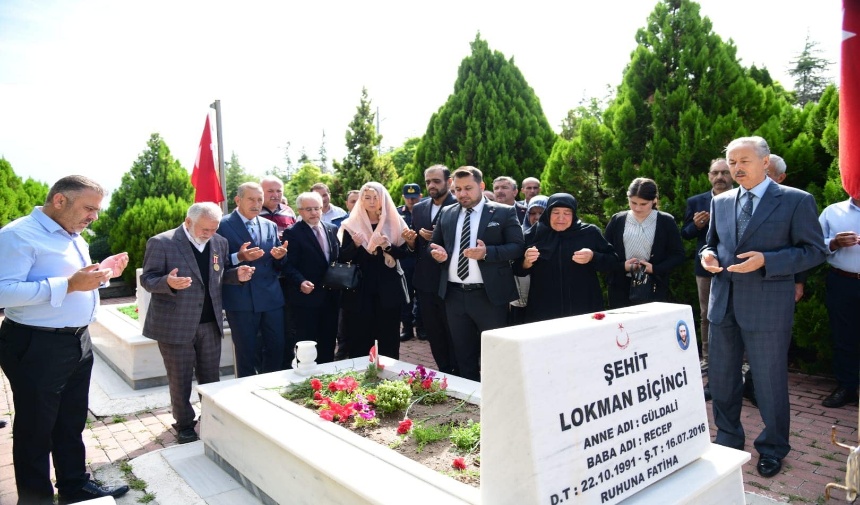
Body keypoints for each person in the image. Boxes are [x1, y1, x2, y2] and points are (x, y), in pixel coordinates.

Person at [0, 175, 130, 503]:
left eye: (97, 209)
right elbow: (3, 290)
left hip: (77, 342)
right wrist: (69, 285)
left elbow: (74, 279)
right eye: (89, 208)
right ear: (60, 201)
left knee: (70, 421)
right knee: (35, 430)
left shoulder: (74, 234)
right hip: (36, 345)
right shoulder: (17, 235)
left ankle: (74, 486)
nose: (94, 217)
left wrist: (102, 274)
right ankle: (35, 499)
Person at [701, 136, 826, 478]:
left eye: (744, 161)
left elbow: (814, 251)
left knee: (769, 383)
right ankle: (728, 439)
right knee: (723, 380)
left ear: (765, 161)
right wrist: (707, 256)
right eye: (732, 162)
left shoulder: (796, 201)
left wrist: (766, 260)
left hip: (768, 306)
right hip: (723, 303)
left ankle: (772, 447)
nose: (736, 168)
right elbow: (710, 242)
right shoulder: (721, 202)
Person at [140, 203, 253, 444]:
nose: (209, 233)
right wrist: (168, 283)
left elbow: (217, 276)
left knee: (211, 376)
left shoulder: (219, 243)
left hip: (209, 323)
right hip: (175, 325)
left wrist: (236, 276)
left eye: (214, 228)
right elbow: (147, 279)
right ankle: (184, 425)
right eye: (205, 229)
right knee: (180, 379)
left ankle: (211, 417)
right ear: (188, 222)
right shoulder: (162, 242)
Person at [429, 167, 525, 380]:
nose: (462, 194)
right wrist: (438, 254)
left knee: (496, 352)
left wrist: (487, 253)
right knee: (463, 354)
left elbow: (518, 247)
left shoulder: (502, 212)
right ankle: (471, 398)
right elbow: (434, 244)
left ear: (481, 186)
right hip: (454, 295)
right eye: (458, 189)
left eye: (468, 188)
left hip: (489, 296)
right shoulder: (447, 212)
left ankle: (498, 396)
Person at [340, 182, 417, 359]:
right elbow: (343, 257)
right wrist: (359, 246)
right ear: (361, 200)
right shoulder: (351, 225)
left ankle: (390, 379)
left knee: (389, 337)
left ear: (383, 199)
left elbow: (405, 254)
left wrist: (388, 247)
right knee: (360, 338)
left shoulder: (396, 223)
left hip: (388, 288)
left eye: (376, 197)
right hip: (360, 289)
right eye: (367, 198)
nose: (372, 202)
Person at [218, 182, 288, 377]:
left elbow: (277, 264)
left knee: (276, 347)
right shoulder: (222, 225)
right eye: (251, 199)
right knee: (246, 353)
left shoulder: (270, 225)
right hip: (241, 299)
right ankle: (246, 394)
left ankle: (272, 387)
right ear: (238, 200)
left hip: (271, 298)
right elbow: (214, 263)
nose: (256, 204)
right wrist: (239, 257)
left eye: (259, 199)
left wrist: (280, 256)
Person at [514, 193, 617, 323]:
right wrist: (526, 262)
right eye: (555, 212)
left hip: (583, 305)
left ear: (573, 214)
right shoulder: (534, 234)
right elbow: (517, 269)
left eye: (567, 213)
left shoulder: (589, 232)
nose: (561, 218)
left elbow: (613, 261)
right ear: (548, 213)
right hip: (544, 308)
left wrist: (593, 256)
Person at [681, 158, 733, 374]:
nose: (720, 177)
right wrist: (697, 224)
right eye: (715, 173)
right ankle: (707, 358)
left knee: (737, 312)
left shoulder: (741, 198)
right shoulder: (696, 201)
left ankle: (740, 360)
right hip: (705, 267)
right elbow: (685, 233)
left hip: (736, 265)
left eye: (724, 172)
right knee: (706, 313)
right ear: (709, 176)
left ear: (732, 175)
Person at [604, 178, 686, 308]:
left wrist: (654, 269)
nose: (637, 208)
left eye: (643, 204)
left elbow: (678, 255)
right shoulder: (617, 220)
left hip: (653, 287)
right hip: (620, 287)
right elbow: (605, 254)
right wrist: (622, 266)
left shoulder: (666, 221)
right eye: (633, 202)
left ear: (654, 200)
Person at [283, 192, 342, 363]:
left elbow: (336, 258)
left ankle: (328, 378)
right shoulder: (292, 233)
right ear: (300, 211)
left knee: (329, 341)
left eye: (317, 208)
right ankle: (307, 381)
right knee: (307, 344)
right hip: (307, 298)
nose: (314, 213)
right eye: (309, 209)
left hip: (331, 296)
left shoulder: (331, 228)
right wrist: (300, 281)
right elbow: (287, 265)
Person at [412, 165, 458, 374]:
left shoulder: (459, 206)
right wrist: (410, 241)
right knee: (434, 332)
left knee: (454, 332)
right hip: (425, 282)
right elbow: (414, 249)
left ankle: (461, 373)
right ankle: (444, 371)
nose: (431, 185)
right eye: (428, 181)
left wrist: (437, 240)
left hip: (452, 281)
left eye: (436, 181)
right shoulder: (419, 208)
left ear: (449, 182)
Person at [818, 194, 860, 408]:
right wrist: (834, 242)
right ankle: (847, 387)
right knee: (844, 336)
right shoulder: (833, 211)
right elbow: (814, 244)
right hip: (844, 281)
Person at [398, 183, 424, 341]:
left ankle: (422, 327)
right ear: (403, 197)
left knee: (422, 296)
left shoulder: (425, 211)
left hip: (421, 260)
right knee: (405, 297)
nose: (411, 201)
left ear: (420, 196)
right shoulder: (397, 213)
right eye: (408, 198)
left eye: (414, 198)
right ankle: (407, 328)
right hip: (404, 260)